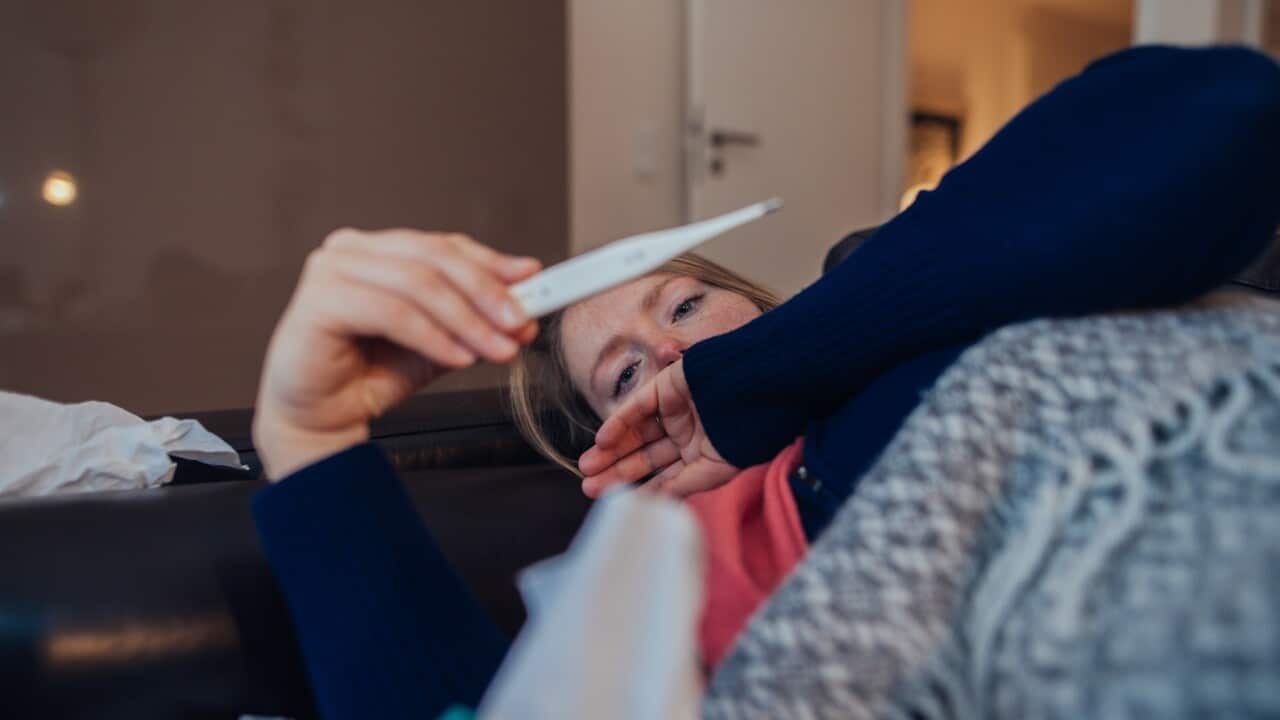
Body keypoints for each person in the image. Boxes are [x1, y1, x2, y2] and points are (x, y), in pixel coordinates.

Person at [251, 45, 1280, 719]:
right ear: (609, 454)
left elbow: (1225, 110)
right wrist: (310, 439)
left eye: (686, 308)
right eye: (626, 373)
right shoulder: (671, 582)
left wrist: (769, 371)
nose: (672, 357)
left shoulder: (897, 293)